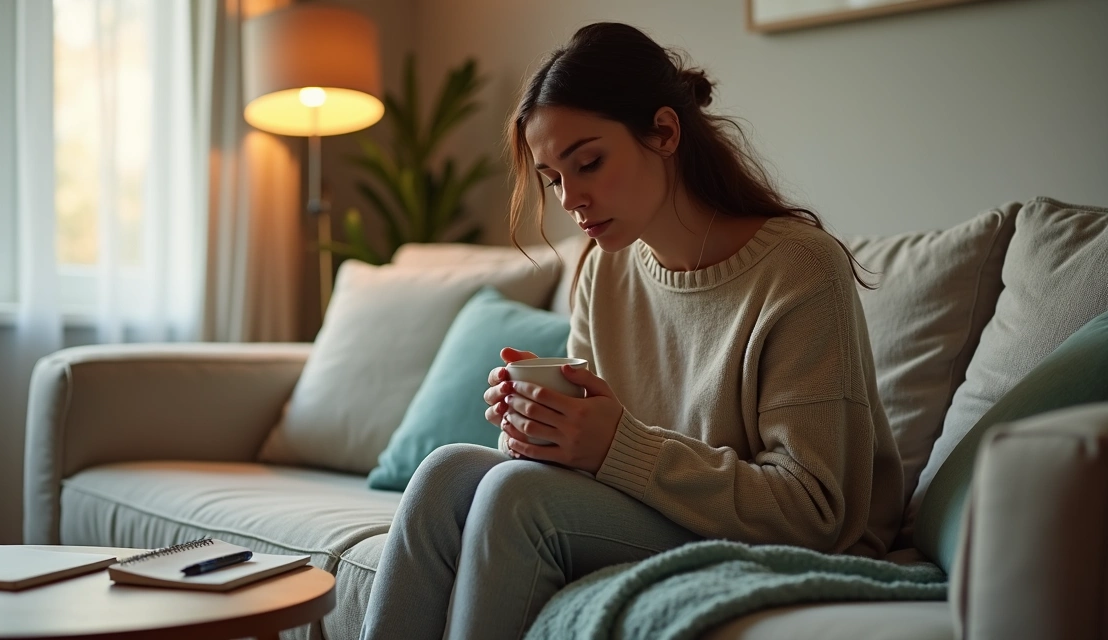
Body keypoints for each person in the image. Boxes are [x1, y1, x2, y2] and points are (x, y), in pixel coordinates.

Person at [358, 21, 903, 640]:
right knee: (445, 474)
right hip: (654, 510)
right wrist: (543, 434)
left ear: (665, 132)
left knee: (518, 499)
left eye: (588, 162)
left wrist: (617, 446)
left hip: (784, 537)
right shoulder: (603, 269)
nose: (571, 199)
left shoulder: (799, 270)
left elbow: (814, 511)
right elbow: (594, 466)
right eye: (554, 178)